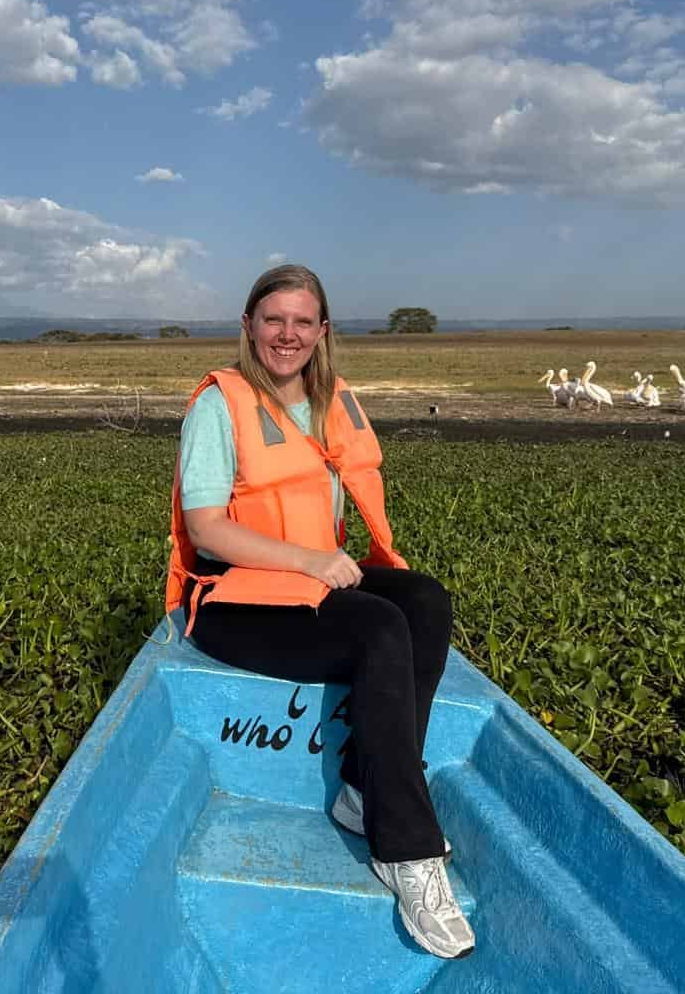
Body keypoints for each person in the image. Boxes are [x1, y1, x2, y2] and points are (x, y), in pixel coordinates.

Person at [164, 264, 475, 960]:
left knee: (423, 599)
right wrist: (307, 562)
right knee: (376, 627)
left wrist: (318, 566)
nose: (288, 334)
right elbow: (208, 528)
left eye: (303, 322)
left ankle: (366, 791)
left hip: (309, 584)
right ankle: (407, 850)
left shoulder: (330, 400)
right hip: (233, 596)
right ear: (248, 326)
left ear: (323, 331)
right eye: (274, 319)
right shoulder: (223, 403)